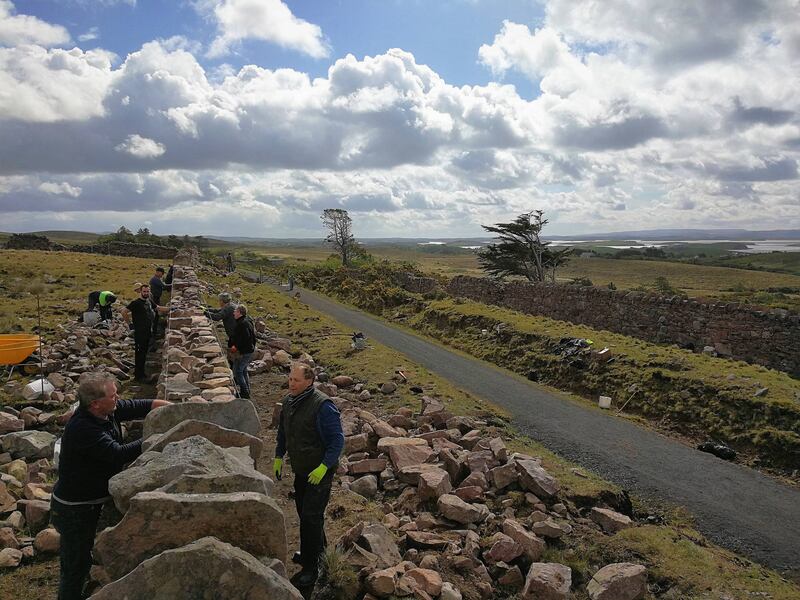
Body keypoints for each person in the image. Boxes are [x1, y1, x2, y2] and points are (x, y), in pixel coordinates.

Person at [50, 372, 170, 600]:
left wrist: (172, 407)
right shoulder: (83, 428)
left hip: (94, 500)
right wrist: (158, 438)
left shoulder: (107, 411)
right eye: (113, 395)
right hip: (76, 508)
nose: (118, 398)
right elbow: (117, 454)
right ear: (95, 403)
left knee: (87, 558)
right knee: (75, 566)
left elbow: (139, 405)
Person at [274, 362, 344, 587]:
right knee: (305, 513)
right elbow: (283, 432)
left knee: (310, 517)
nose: (291, 383)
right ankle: (316, 553)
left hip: (319, 471)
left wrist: (324, 466)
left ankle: (311, 568)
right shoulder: (288, 402)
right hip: (302, 469)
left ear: (309, 381)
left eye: (296, 380)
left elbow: (337, 440)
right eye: (290, 379)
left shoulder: (323, 406)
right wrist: (278, 455)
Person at [121, 283, 167, 382]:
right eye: (144, 291)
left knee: (144, 353)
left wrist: (171, 309)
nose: (146, 293)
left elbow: (158, 308)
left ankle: (141, 373)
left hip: (147, 331)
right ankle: (139, 376)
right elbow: (124, 312)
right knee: (140, 353)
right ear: (140, 292)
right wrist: (130, 324)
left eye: (147, 291)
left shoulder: (149, 301)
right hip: (140, 332)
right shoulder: (136, 303)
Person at [228, 304, 256, 399]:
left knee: (238, 371)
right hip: (249, 350)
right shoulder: (247, 321)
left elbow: (246, 338)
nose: (233, 312)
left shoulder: (242, 324)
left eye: (235, 311)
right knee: (243, 370)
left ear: (239, 312)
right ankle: (247, 390)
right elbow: (252, 337)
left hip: (244, 352)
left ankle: (244, 392)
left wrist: (236, 347)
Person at [149, 266, 172, 339]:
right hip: (154, 299)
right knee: (155, 314)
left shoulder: (157, 279)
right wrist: (173, 285)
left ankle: (155, 331)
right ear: (158, 272)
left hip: (156, 298)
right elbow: (164, 286)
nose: (162, 275)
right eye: (161, 273)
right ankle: (154, 332)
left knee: (156, 314)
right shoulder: (155, 279)